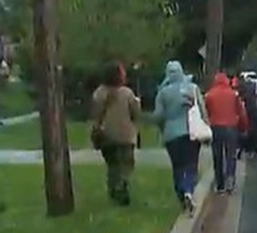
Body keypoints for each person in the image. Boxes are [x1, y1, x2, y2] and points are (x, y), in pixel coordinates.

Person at [152, 61, 207, 214]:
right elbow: (202, 109)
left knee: (177, 166)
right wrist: (206, 126)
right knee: (191, 163)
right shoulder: (193, 88)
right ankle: (189, 188)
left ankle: (181, 194)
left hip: (171, 135)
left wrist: (163, 128)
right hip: (191, 132)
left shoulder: (163, 93)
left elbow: (158, 116)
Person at [89, 63, 141, 205]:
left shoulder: (99, 93)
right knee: (126, 164)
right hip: (125, 136)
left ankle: (115, 190)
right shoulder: (127, 93)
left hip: (106, 135)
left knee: (112, 165)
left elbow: (94, 114)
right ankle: (122, 185)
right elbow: (136, 114)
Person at [204, 72, 248, 194]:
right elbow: (241, 112)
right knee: (231, 154)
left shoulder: (209, 95)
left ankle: (220, 183)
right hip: (231, 127)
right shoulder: (233, 94)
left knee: (217, 155)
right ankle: (230, 179)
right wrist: (244, 127)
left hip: (215, 127)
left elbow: (206, 112)